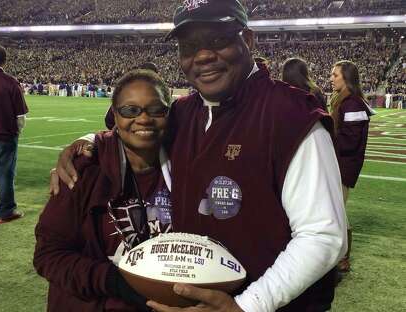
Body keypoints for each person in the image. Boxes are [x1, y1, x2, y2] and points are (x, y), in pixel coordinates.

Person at [51, 1, 347, 311]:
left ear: (247, 40)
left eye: (218, 39)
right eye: (189, 46)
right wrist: (87, 142)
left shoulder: (291, 115)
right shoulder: (182, 112)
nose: (203, 55)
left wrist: (247, 306)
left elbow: (323, 235)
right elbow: (127, 132)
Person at [34, 69, 173, 311]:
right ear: (115, 116)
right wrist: (114, 281)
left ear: (168, 114)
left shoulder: (186, 167)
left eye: (156, 109)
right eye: (130, 110)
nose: (143, 119)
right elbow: (49, 255)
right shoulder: (83, 171)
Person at [330, 60, 375, 273]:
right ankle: (339, 256)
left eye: (335, 75)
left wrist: (326, 139)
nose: (331, 78)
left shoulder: (353, 103)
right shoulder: (345, 101)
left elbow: (350, 141)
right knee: (336, 210)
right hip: (339, 164)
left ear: (346, 78)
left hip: (344, 165)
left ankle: (343, 258)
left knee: (337, 212)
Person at [0, 45, 27, 223]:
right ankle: (5, 212)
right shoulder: (11, 82)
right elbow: (20, 116)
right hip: (5, 136)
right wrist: (17, 131)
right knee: (5, 173)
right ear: (5, 61)